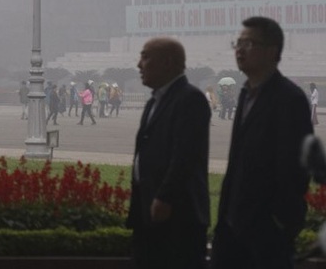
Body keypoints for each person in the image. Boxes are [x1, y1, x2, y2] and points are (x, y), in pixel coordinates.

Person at [211, 16, 313, 269]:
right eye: (238, 43)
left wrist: (279, 222)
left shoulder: (289, 99)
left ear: (272, 51)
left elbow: (296, 169)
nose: (240, 50)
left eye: (249, 43)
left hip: (266, 234)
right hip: (232, 230)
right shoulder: (245, 94)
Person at [128, 37, 210, 269]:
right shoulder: (154, 102)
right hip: (148, 210)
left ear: (168, 62)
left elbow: (185, 156)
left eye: (145, 57)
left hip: (177, 214)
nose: (139, 65)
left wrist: (165, 197)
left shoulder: (190, 99)